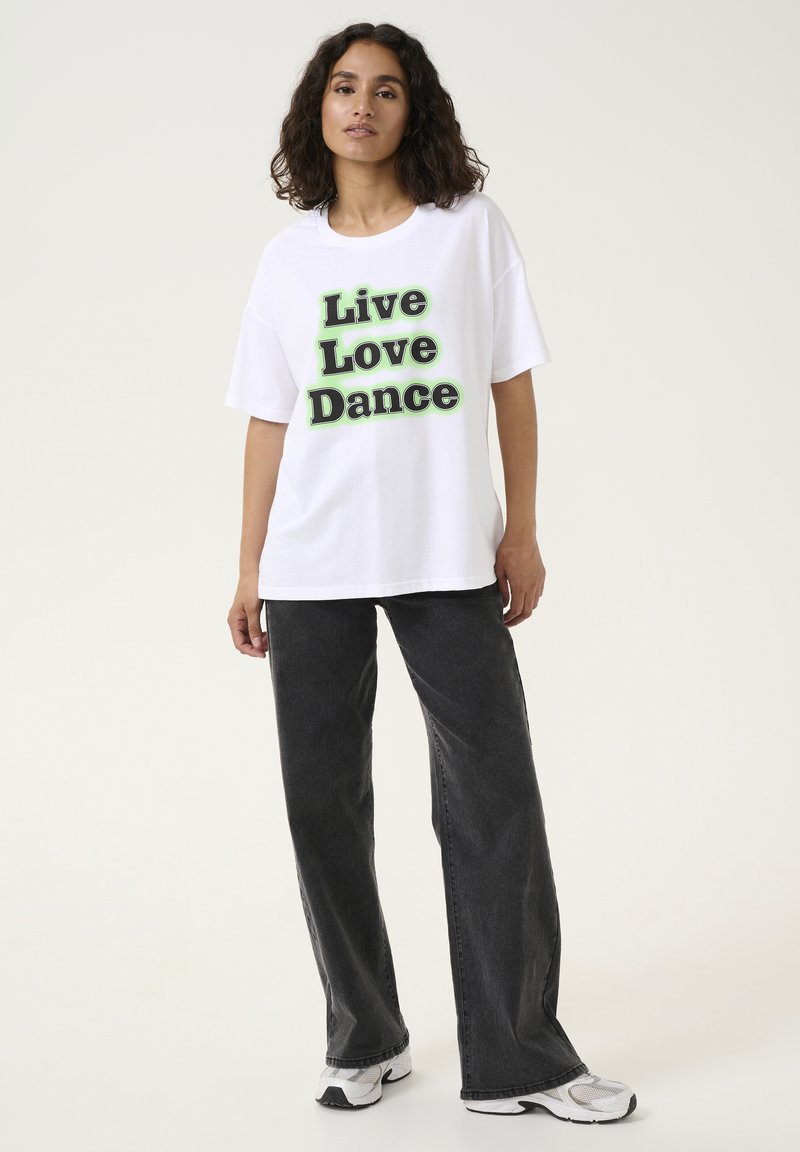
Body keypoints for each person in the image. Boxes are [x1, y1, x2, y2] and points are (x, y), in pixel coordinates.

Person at [224, 21, 637, 1122]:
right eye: (343, 86)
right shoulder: (287, 260)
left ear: (415, 111)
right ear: (317, 108)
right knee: (321, 803)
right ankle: (365, 1038)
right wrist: (249, 564)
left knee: (492, 795)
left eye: (386, 89)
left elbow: (511, 384)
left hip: (446, 551)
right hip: (311, 560)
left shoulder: (466, 230)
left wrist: (522, 530)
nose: (361, 105)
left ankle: (518, 1061)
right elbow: (269, 418)